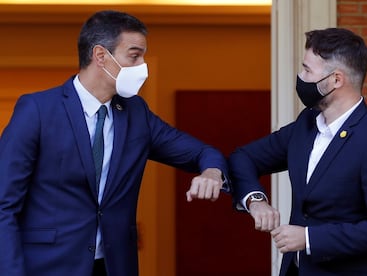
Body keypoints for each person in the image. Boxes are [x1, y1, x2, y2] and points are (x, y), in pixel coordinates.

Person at [0, 10, 229, 276]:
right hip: (47, 266)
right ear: (100, 56)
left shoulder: (137, 113)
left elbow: (202, 151)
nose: (143, 66)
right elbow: (4, 205)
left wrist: (212, 172)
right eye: (134, 55)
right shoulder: (37, 110)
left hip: (114, 267)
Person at [229, 28, 367, 275]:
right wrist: (255, 201)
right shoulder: (306, 124)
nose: (301, 77)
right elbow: (243, 157)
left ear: (336, 80)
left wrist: (309, 238)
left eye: (307, 70)